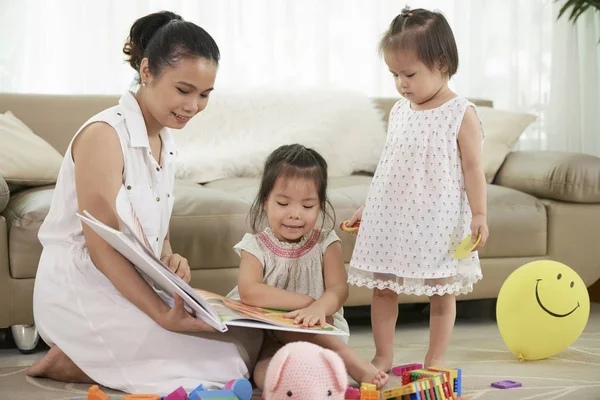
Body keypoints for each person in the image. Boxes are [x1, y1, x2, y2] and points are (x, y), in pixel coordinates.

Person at [26, 10, 263, 395]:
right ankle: (71, 359)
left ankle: (90, 358)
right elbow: (102, 246)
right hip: (82, 288)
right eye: (184, 90)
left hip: (131, 284)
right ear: (148, 71)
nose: (193, 106)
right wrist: (160, 316)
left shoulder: (165, 142)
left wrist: (171, 259)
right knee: (223, 366)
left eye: (204, 95)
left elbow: (155, 232)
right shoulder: (105, 135)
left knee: (243, 343)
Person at [346, 6, 489, 372]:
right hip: (392, 215)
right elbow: (390, 167)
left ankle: (435, 356)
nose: (401, 84)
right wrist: (370, 207)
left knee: (442, 290)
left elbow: (473, 169)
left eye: (409, 74)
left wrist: (479, 214)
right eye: (394, 74)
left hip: (437, 218)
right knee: (383, 288)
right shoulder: (399, 111)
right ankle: (383, 354)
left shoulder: (461, 112)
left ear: (441, 64)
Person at [226, 144, 388, 389]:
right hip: (266, 335)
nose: (295, 214)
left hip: (317, 331)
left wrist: (319, 308)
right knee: (264, 373)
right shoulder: (255, 245)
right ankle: (292, 387)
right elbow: (249, 290)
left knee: (294, 331)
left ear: (321, 206)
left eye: (307, 206)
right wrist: (305, 303)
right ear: (265, 202)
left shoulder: (325, 242)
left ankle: (352, 363)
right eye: (282, 203)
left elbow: (338, 289)